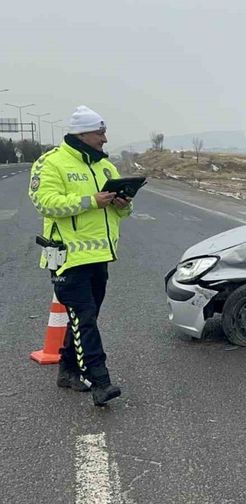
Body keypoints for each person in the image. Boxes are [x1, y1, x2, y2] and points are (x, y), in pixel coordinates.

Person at [28, 105, 132, 406]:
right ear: (82, 134)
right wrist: (90, 200)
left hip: (99, 256)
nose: (105, 139)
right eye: (100, 133)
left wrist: (123, 203)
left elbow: (121, 214)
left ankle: (68, 370)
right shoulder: (51, 163)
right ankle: (100, 381)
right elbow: (44, 202)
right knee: (84, 318)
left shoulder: (105, 167)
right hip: (67, 258)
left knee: (86, 317)